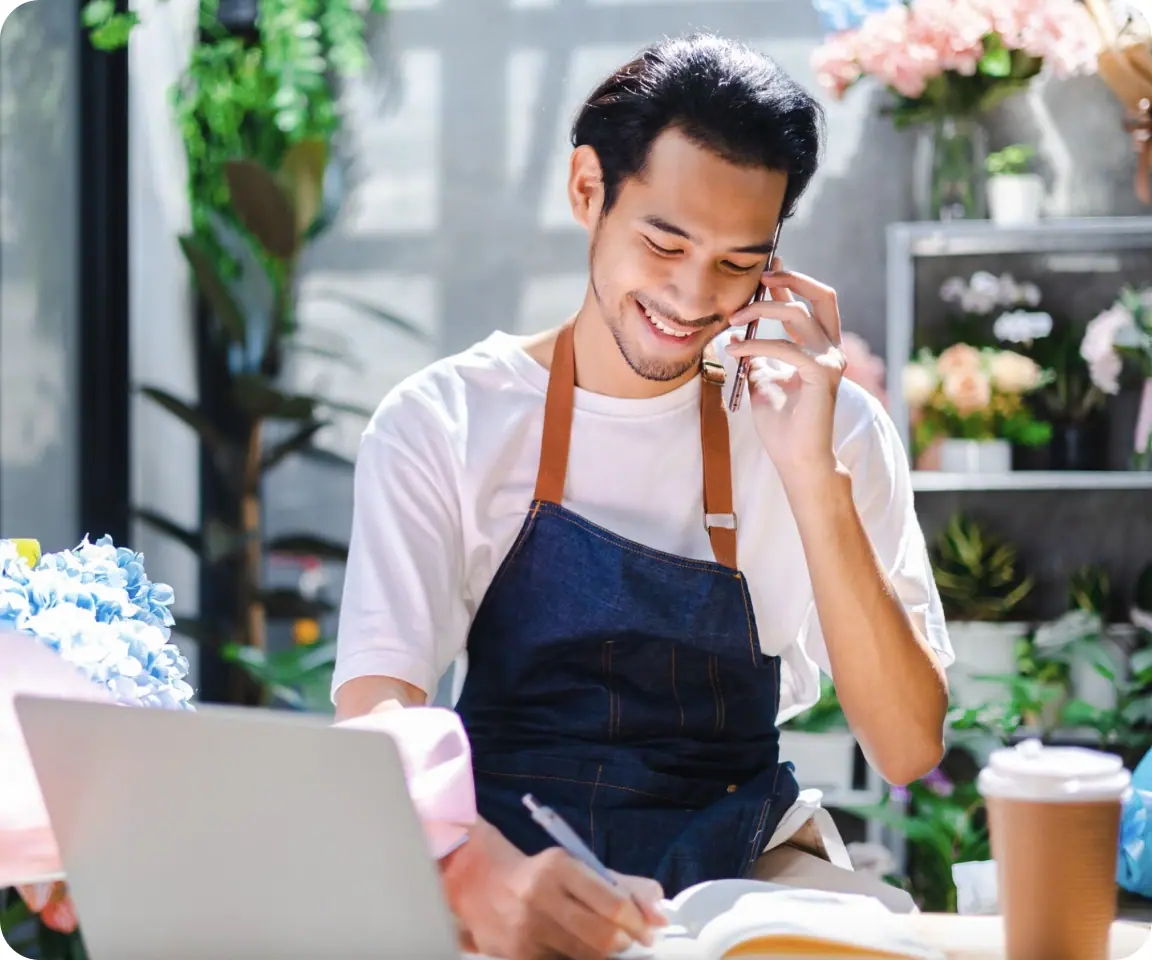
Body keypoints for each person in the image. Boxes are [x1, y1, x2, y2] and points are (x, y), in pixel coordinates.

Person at [333, 32, 954, 960]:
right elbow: (376, 715)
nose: (693, 295)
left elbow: (907, 747)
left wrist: (809, 475)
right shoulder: (443, 421)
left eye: (739, 262)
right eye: (664, 241)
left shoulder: (833, 429)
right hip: (506, 846)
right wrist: (470, 873)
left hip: (741, 862)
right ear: (588, 190)